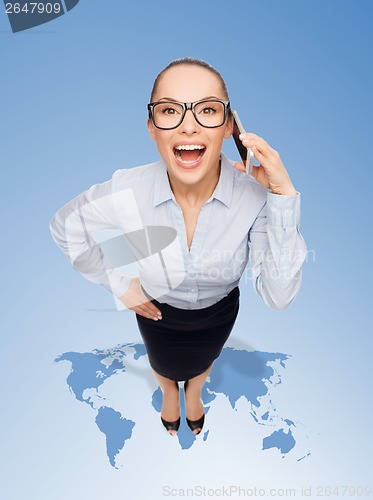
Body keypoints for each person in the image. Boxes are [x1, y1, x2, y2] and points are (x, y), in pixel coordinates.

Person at [50, 57, 307, 437]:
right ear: (152, 128)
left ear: (229, 128)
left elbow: (279, 295)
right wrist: (118, 284)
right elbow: (65, 227)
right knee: (161, 360)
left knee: (205, 360)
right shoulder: (128, 188)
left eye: (207, 110)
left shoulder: (257, 198)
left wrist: (283, 197)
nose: (189, 124)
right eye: (170, 110)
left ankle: (195, 393)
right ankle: (169, 391)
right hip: (157, 310)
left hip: (219, 313)